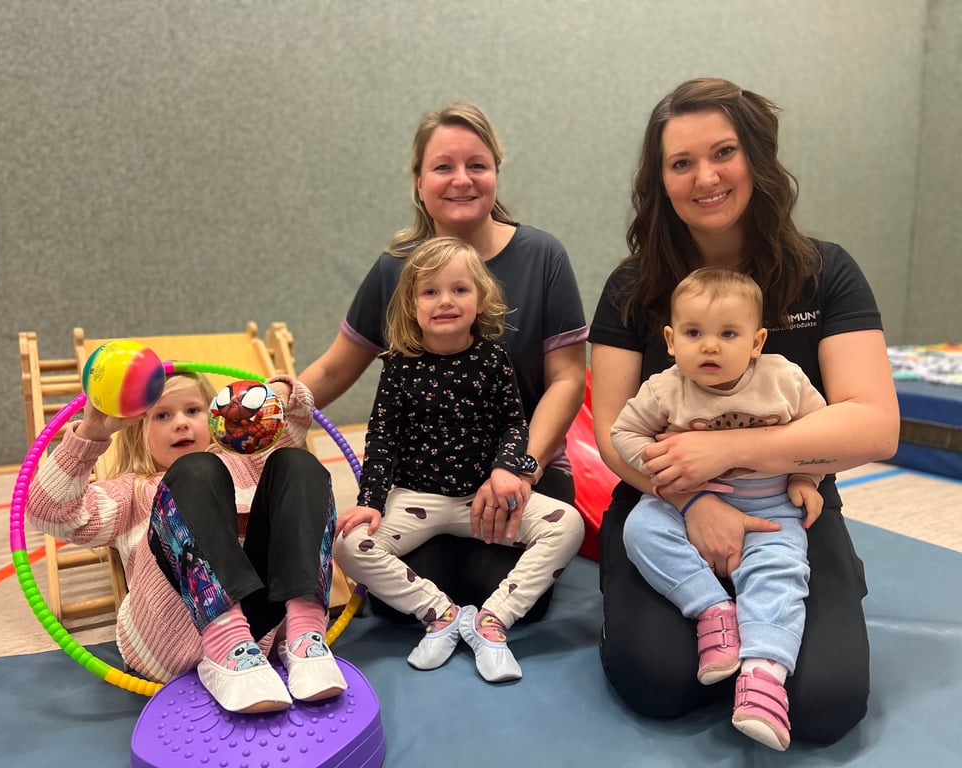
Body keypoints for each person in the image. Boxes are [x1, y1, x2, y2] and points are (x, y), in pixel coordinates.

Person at [589, 77, 899, 745]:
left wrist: (730, 451)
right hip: (665, 500)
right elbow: (614, 433)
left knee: (824, 704)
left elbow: (874, 424)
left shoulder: (826, 273)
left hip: (792, 504)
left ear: (757, 157)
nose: (705, 176)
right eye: (681, 163)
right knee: (660, 684)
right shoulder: (629, 287)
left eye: (723, 152)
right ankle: (711, 615)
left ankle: (794, 622)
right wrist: (693, 499)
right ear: (660, 179)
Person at [300, 101, 588, 616]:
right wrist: (272, 404)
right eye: (443, 167)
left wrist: (520, 470)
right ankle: (446, 609)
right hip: (426, 482)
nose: (462, 180)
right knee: (393, 601)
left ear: (496, 172)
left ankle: (485, 612)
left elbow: (567, 380)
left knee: (497, 583)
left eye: (477, 165)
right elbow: (333, 369)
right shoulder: (394, 269)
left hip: (519, 470)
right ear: (418, 181)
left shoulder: (544, 257)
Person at [332, 237, 585, 683]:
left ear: (481, 298)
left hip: (481, 500)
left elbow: (513, 422)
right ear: (411, 305)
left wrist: (508, 468)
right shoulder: (398, 366)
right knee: (349, 544)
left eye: (459, 290)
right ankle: (442, 615)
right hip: (416, 499)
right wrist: (370, 500)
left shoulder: (493, 358)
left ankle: (492, 621)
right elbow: (383, 438)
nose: (445, 301)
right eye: (430, 292)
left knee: (568, 524)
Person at [26, 370, 348, 714]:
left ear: (216, 418)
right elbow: (48, 512)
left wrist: (280, 393)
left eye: (193, 411)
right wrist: (90, 433)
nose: (180, 423)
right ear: (138, 431)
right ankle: (225, 640)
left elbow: (293, 425)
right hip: (175, 632)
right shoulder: (129, 493)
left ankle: (306, 634)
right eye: (163, 415)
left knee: (298, 463)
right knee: (196, 470)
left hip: (264, 626)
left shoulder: (249, 464)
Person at [611, 267, 827, 751]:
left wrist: (804, 477)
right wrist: (670, 477)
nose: (710, 346)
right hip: (684, 501)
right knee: (641, 527)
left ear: (757, 341)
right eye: (694, 333)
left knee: (782, 569)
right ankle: (712, 608)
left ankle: (763, 677)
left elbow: (823, 433)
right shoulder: (663, 389)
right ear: (670, 339)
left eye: (728, 334)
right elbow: (622, 434)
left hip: (771, 505)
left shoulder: (784, 379)